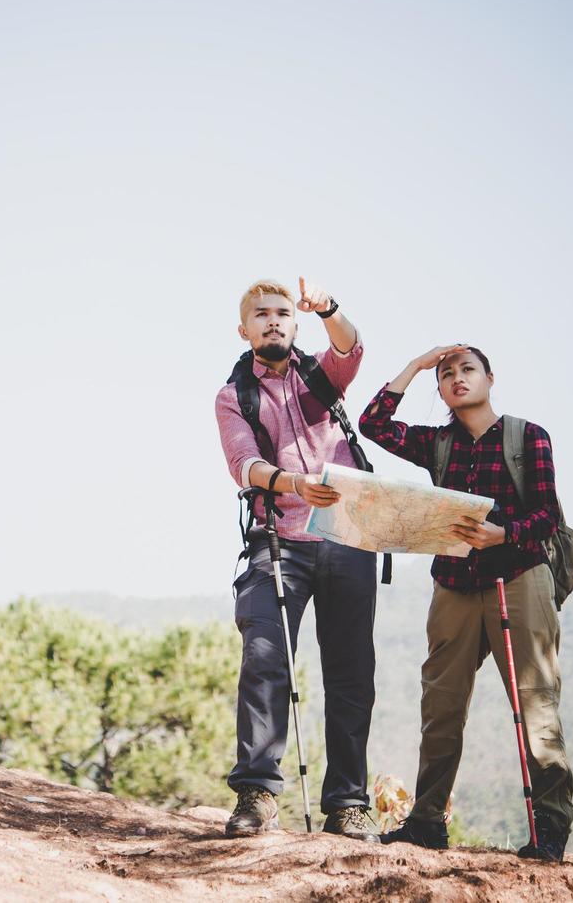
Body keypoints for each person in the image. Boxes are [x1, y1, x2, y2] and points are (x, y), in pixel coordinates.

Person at [358, 344, 573, 862]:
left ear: (490, 379)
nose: (457, 378)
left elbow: (546, 515)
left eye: (467, 370)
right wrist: (415, 366)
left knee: (533, 704)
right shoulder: (437, 443)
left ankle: (550, 831)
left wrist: (504, 535)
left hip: (518, 577)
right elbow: (373, 424)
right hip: (453, 583)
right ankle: (428, 823)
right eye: (447, 374)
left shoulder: (528, 437)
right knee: (441, 707)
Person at [214, 278, 381, 840]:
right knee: (265, 656)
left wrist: (329, 309)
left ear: (295, 321)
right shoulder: (234, 394)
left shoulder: (319, 376)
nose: (274, 321)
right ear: (245, 328)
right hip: (277, 538)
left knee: (351, 671)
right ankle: (257, 796)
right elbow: (243, 464)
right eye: (261, 314)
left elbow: (349, 351)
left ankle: (348, 805)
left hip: (347, 536)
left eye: (283, 313)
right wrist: (290, 482)